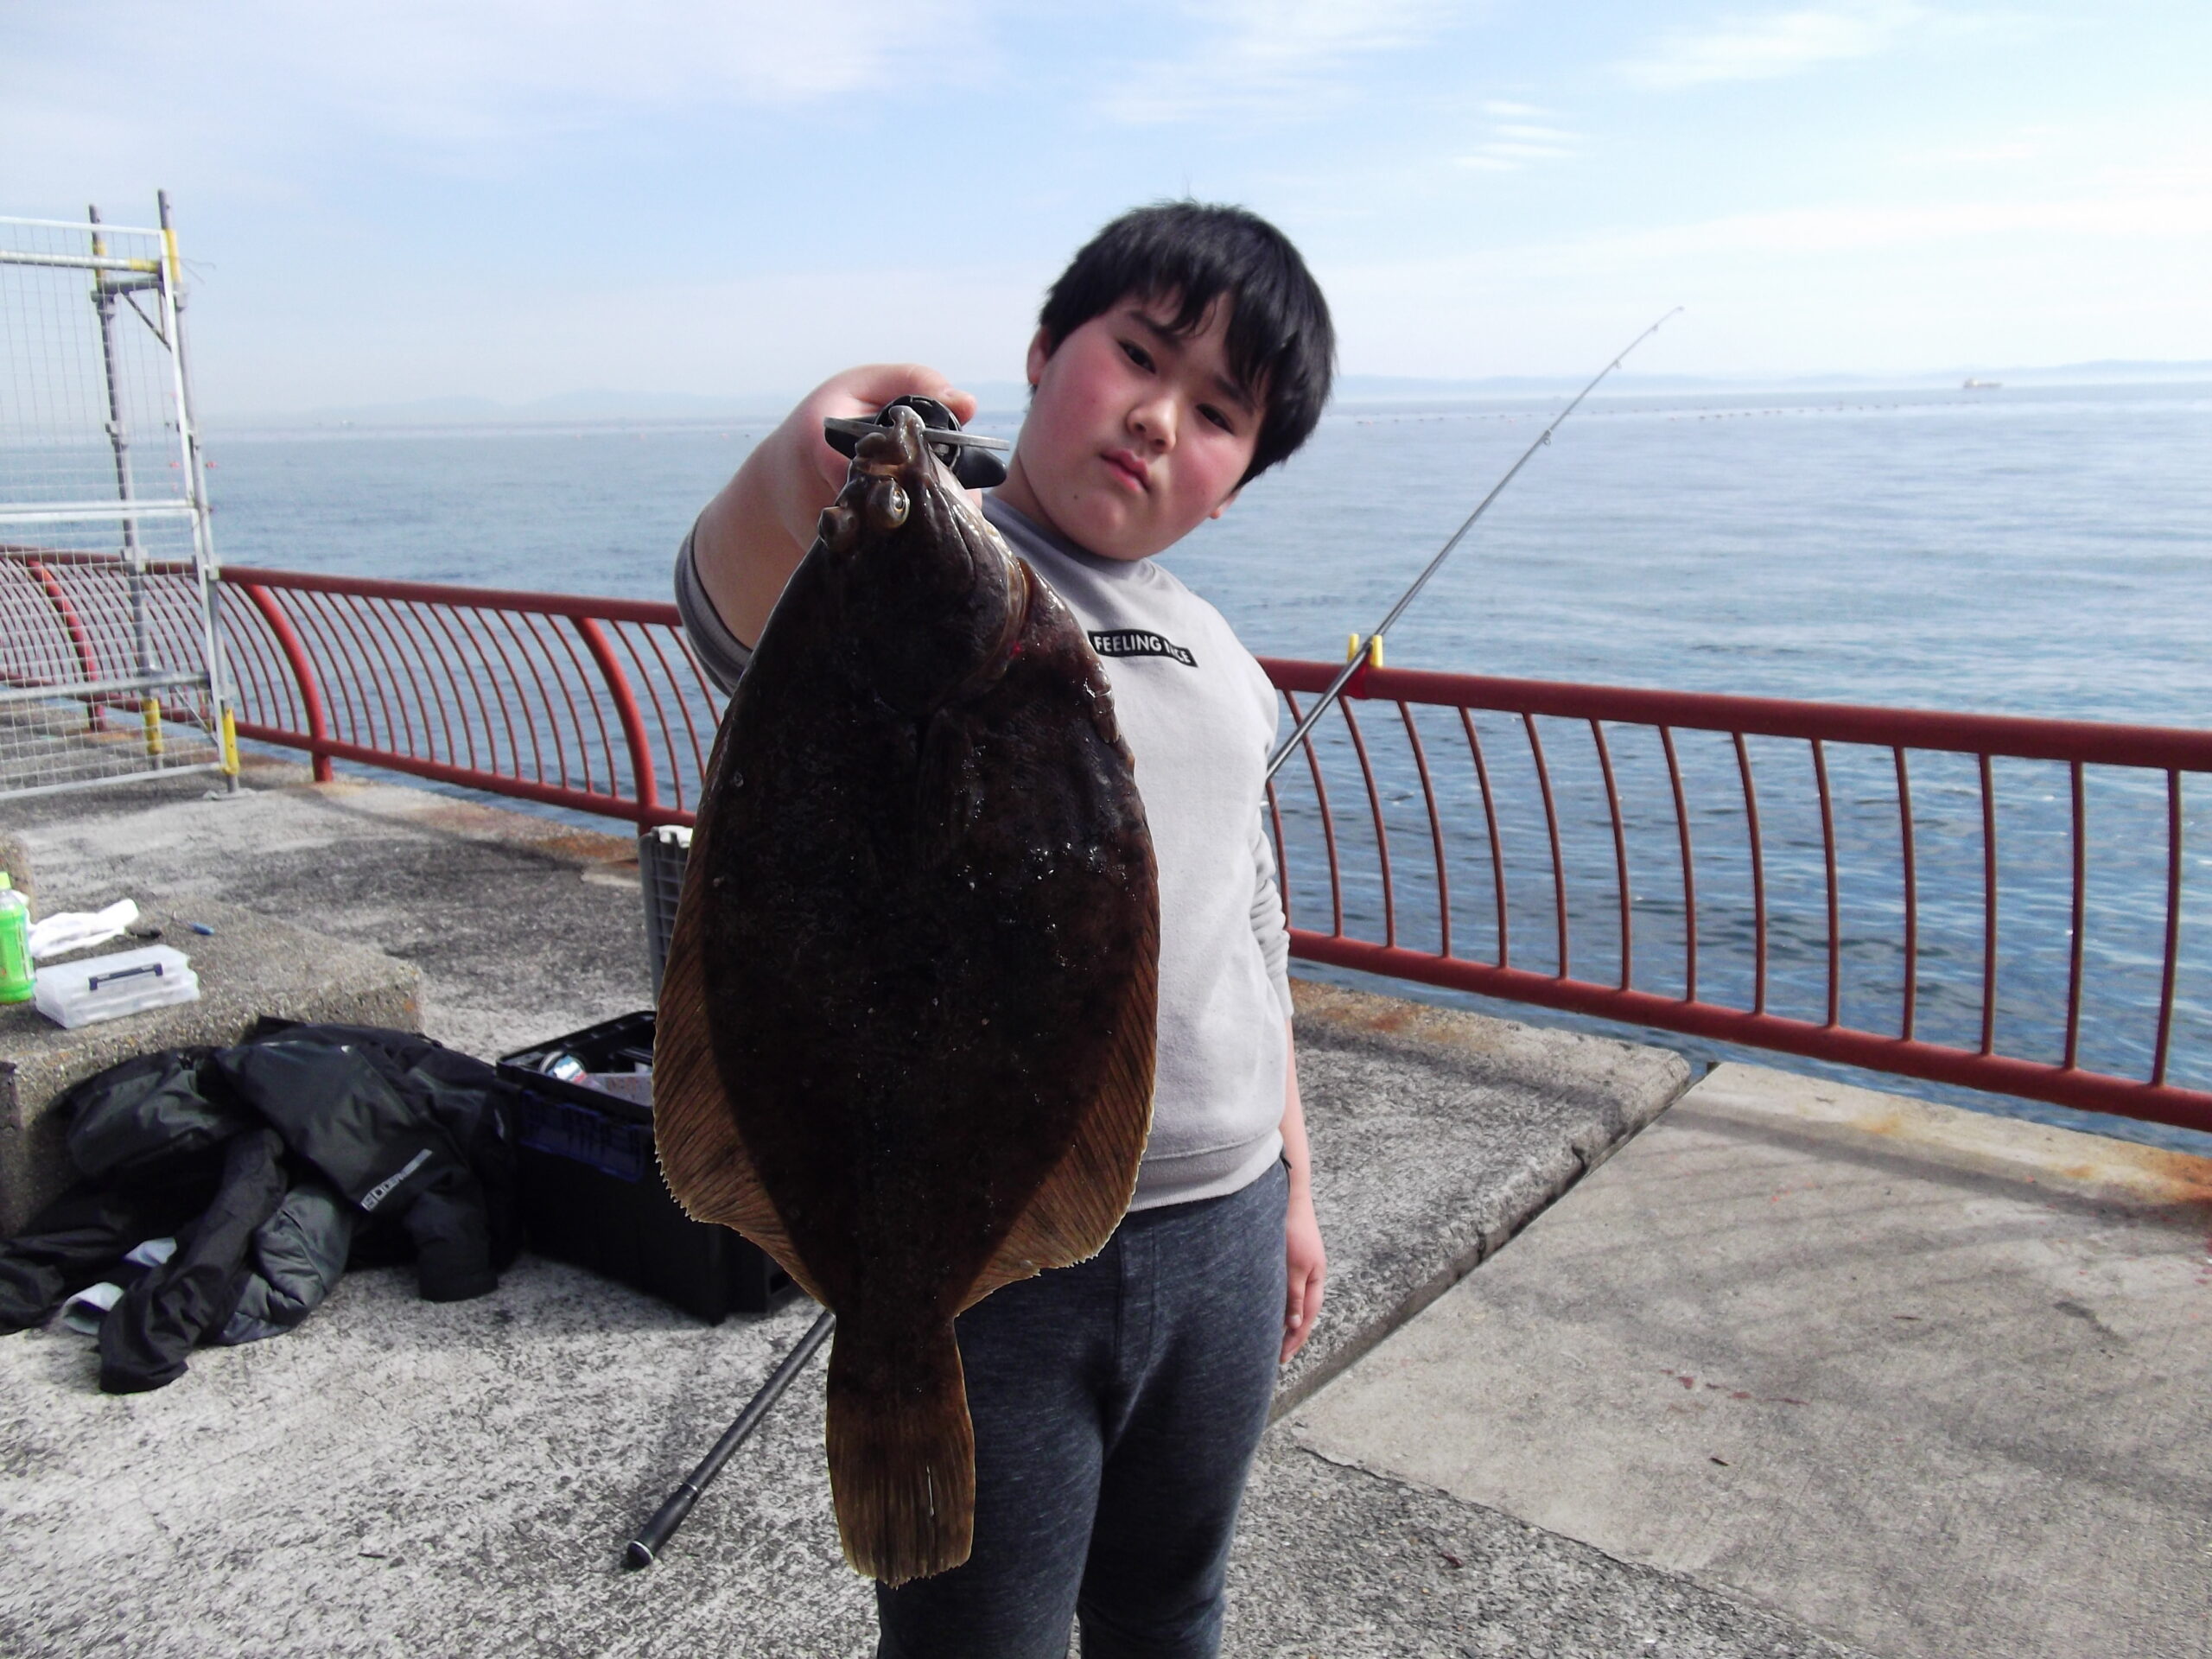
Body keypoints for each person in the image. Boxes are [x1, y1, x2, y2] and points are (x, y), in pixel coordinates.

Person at [672, 200, 1333, 1659]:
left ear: (1238, 483)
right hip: (984, 1264)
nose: (1159, 420)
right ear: (1043, 352)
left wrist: (1294, 1178)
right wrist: (808, 467)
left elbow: (1246, 927)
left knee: (1176, 1604)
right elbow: (726, 583)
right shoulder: (895, 574)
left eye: (1217, 413)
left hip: (1220, 1223)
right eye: (1138, 356)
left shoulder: (1228, 661)